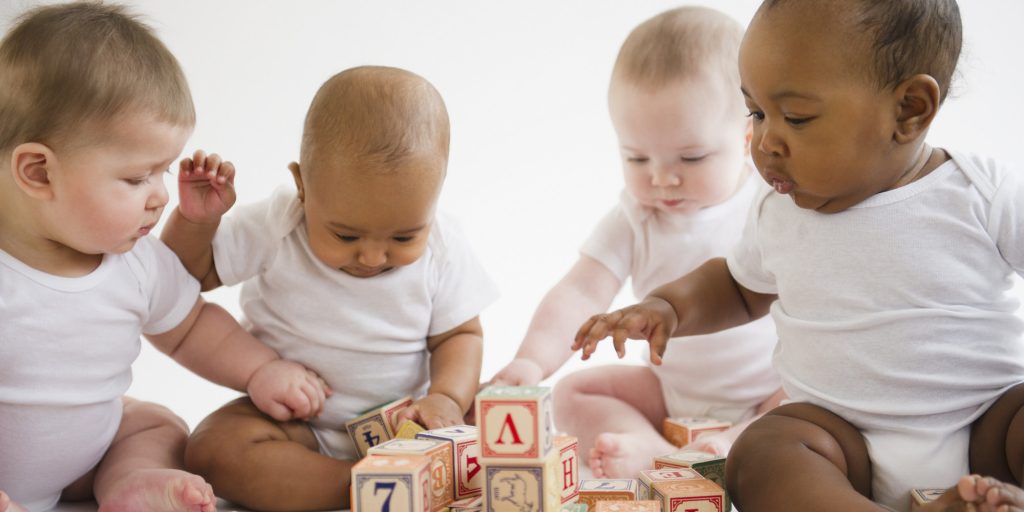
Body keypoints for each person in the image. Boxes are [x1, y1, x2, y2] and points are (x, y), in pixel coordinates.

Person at [574, 0, 1024, 510]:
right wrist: (669, 307)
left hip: (985, 426)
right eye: (757, 112)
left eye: (796, 117)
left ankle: (988, 496)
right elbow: (739, 288)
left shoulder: (981, 193)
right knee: (761, 453)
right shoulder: (779, 211)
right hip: (838, 441)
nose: (764, 142)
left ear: (909, 109)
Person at [0, 4, 328, 512]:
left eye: (163, 171)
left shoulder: (134, 264)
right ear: (39, 173)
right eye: (136, 178)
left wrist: (260, 371)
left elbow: (191, 327)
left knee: (155, 424)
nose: (159, 195)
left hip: (82, 460)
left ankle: (132, 483)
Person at [161, 65, 498, 510]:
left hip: (411, 424)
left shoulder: (443, 246)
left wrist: (446, 398)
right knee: (212, 449)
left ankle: (411, 470)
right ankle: (363, 484)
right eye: (346, 236)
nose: (374, 258)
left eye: (402, 238)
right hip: (297, 426)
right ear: (303, 187)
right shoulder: (277, 226)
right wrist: (196, 222)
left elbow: (460, 335)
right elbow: (190, 273)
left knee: (492, 406)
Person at [488, 6, 783, 479]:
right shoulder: (635, 217)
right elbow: (581, 292)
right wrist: (531, 360)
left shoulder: (771, 204)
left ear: (747, 137)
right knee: (572, 394)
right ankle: (651, 447)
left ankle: (732, 442)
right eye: (637, 156)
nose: (662, 177)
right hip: (670, 392)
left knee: (811, 403)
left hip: (769, 387)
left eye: (691, 156)